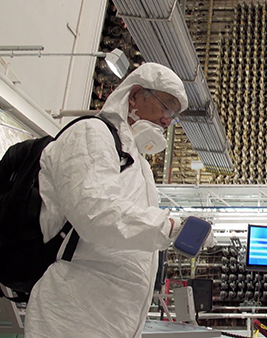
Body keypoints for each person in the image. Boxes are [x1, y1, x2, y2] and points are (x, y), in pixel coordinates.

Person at [24, 63, 190, 337]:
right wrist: (170, 227)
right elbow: (95, 214)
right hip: (75, 313)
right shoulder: (92, 134)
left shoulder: (139, 165)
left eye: (174, 115)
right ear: (135, 95)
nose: (168, 121)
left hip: (113, 316)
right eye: (167, 107)